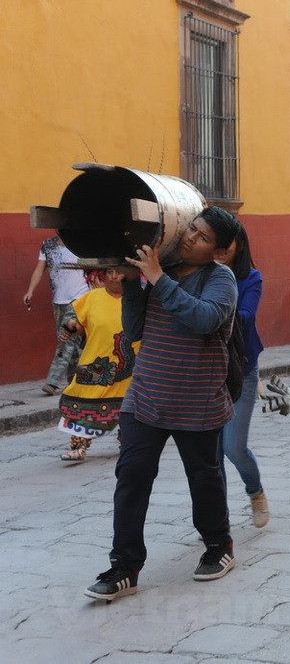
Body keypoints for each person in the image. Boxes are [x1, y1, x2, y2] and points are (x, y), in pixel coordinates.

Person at [84, 206, 240, 602]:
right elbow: (136, 329)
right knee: (132, 477)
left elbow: (203, 319)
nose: (190, 237)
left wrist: (156, 279)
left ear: (219, 251)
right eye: (191, 228)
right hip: (146, 396)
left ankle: (219, 545)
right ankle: (125, 566)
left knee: (203, 479)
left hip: (197, 399)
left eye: (203, 237)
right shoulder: (162, 267)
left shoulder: (220, 279)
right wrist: (134, 284)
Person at [56, 267, 139, 461]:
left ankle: (126, 445)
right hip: (95, 364)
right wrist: (70, 328)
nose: (114, 276)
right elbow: (76, 323)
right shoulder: (92, 298)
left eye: (119, 272)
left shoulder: (137, 299)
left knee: (128, 408)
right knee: (83, 399)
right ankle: (79, 446)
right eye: (110, 272)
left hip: (131, 367)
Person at [220, 224, 269, 528]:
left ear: (239, 244)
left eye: (227, 242)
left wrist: (213, 307)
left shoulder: (251, 278)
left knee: (233, 446)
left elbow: (248, 317)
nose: (219, 248)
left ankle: (256, 493)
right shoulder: (195, 274)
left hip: (242, 368)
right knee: (210, 453)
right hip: (205, 372)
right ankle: (217, 516)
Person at [23, 235, 89, 395]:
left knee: (66, 337)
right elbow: (39, 270)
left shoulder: (81, 242)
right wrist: (30, 290)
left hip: (80, 299)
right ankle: (75, 381)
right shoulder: (48, 245)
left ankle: (52, 381)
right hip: (58, 302)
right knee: (71, 343)